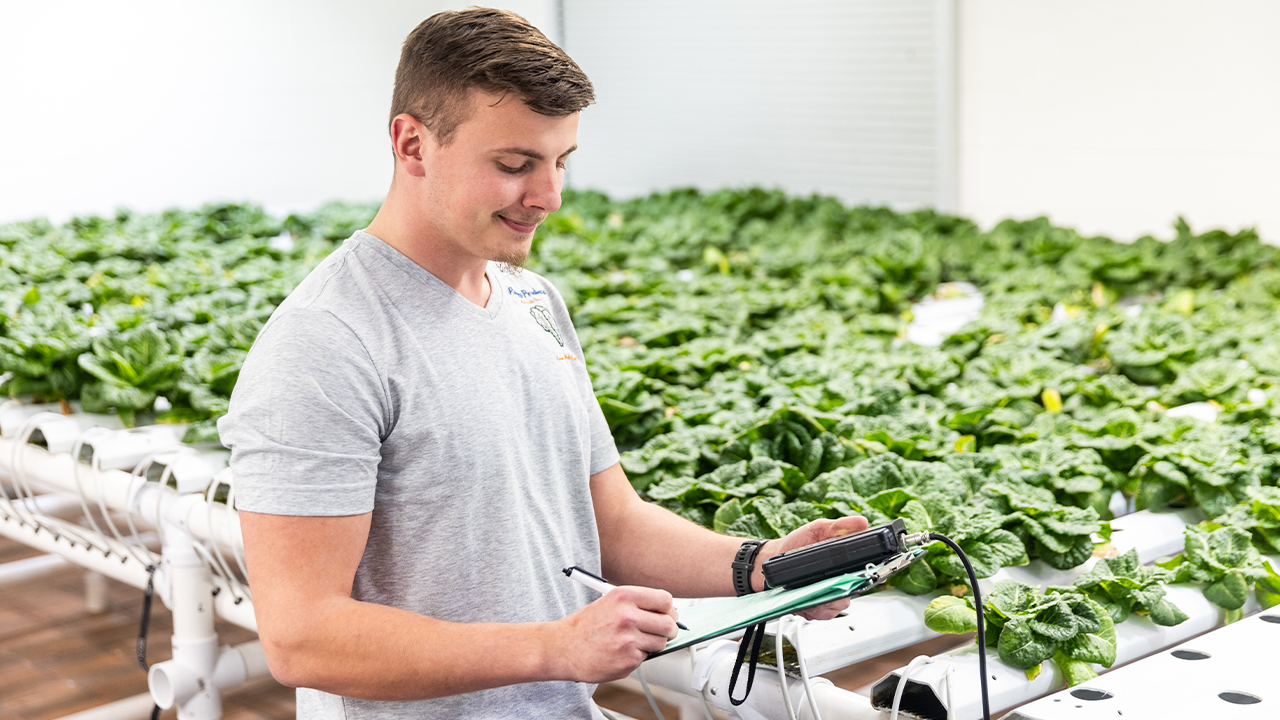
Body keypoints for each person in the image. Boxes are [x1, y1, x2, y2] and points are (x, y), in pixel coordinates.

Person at [218, 8, 868, 719]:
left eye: (560, 162)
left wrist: (763, 564)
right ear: (412, 144)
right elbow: (302, 638)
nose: (549, 197)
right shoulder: (326, 342)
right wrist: (554, 647)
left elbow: (611, 521)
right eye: (514, 164)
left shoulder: (530, 298)